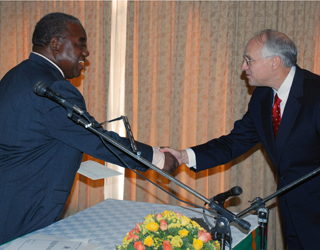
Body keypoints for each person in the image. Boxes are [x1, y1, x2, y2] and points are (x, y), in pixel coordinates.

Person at [0, 12, 178, 245]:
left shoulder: (15, 75)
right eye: (80, 44)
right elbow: (95, 138)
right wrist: (157, 159)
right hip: (26, 205)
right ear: (56, 44)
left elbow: (35, 138)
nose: (86, 52)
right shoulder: (54, 87)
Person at [161, 29, 320, 249]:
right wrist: (183, 156)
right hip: (291, 213)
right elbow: (234, 142)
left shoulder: (316, 93)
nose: (244, 67)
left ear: (274, 62)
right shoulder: (262, 98)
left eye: (249, 60)